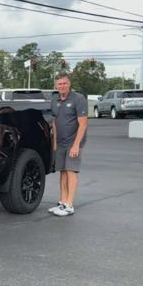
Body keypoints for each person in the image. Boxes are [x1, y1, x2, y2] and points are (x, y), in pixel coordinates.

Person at [48, 73, 88, 217]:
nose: (62, 86)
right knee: (63, 171)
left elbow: (83, 124)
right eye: (59, 84)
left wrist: (76, 145)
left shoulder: (78, 99)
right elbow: (54, 123)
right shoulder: (54, 100)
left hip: (73, 142)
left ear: (69, 84)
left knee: (71, 170)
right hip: (60, 143)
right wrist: (54, 144)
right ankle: (63, 201)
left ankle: (69, 205)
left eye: (64, 83)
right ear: (56, 86)